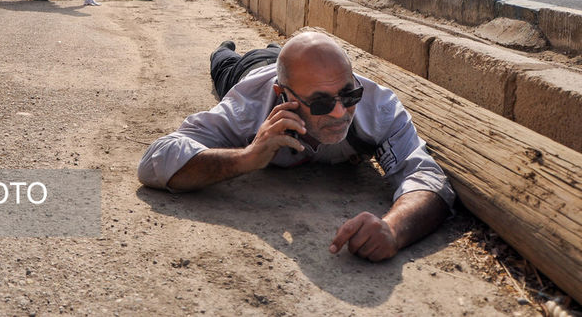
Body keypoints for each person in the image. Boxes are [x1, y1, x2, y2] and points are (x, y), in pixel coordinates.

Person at [138, 32, 455, 262]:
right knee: (224, 61)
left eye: (348, 95)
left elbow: (426, 176)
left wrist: (393, 229)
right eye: (320, 103)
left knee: (279, 50)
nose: (339, 112)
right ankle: (224, 47)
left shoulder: (377, 105)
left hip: (286, 66)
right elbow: (156, 159)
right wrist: (246, 158)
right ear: (284, 96)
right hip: (246, 71)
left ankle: (277, 51)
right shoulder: (245, 106)